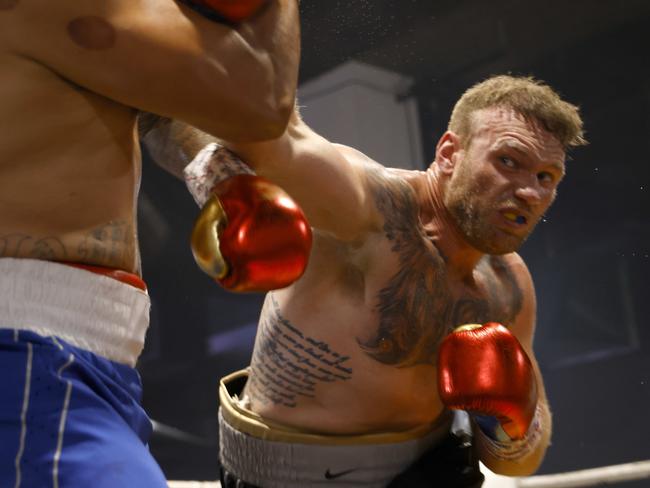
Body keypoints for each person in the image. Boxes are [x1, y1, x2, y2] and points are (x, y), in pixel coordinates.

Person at [153, 74, 586, 487]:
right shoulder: (367, 207)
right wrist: (229, 188)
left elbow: (526, 455)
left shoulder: (509, 285)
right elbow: (235, 130)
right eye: (508, 161)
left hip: (431, 472)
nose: (529, 191)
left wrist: (507, 420)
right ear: (450, 153)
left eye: (546, 177)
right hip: (281, 474)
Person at [0, 1, 300, 486]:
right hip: (29, 349)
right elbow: (260, 97)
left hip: (77, 352)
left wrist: (222, 180)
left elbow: (150, 108)